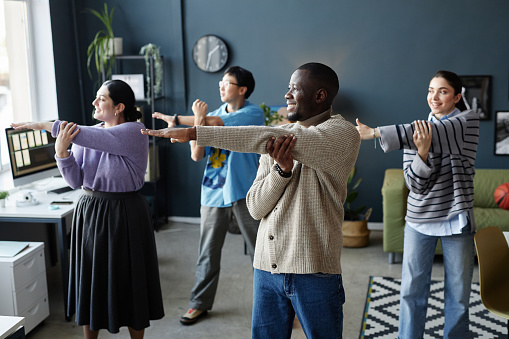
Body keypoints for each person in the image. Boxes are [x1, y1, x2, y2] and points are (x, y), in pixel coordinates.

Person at [141, 62, 361, 338]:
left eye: (295, 88)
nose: (287, 95)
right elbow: (256, 207)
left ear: (320, 95)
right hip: (266, 269)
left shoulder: (341, 134)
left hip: (314, 270)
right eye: (288, 88)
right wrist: (282, 171)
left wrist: (195, 133)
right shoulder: (275, 141)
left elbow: (282, 137)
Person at [12, 79, 164, 339]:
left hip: (125, 211)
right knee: (91, 280)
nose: (94, 102)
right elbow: (75, 181)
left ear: (119, 107)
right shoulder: (85, 135)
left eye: (101, 98)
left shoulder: (134, 131)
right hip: (92, 210)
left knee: (129, 279)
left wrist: (42, 125)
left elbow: (96, 137)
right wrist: (62, 154)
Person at [356, 70, 479, 339]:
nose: (434, 97)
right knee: (412, 290)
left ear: (457, 96)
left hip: (456, 220)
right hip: (420, 219)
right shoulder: (415, 133)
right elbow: (415, 185)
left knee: (458, 295)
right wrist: (421, 152)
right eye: (430, 90)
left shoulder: (467, 122)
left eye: (443, 91)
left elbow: (438, 132)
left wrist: (376, 132)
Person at [153, 66, 264, 325]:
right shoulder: (209, 115)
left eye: (227, 82)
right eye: (221, 83)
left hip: (245, 193)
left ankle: (278, 304)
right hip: (213, 194)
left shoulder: (252, 113)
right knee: (208, 253)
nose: (221, 86)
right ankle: (199, 304)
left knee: (260, 253)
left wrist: (183, 119)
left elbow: (214, 124)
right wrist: (189, 120)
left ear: (242, 89)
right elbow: (196, 154)